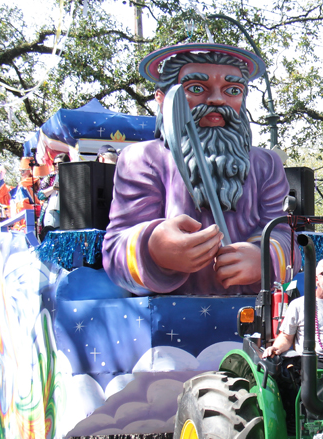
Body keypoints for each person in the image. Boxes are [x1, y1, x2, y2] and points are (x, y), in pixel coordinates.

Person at [104, 43, 295, 296]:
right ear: (162, 99)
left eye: (232, 90)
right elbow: (115, 249)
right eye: (196, 88)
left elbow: (285, 235)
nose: (217, 99)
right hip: (169, 313)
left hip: (251, 310)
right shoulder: (142, 158)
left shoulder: (266, 164)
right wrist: (154, 248)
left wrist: (263, 258)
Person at [262, 258, 323, 373]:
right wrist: (275, 348)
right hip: (310, 362)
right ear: (316, 279)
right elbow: (286, 337)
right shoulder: (298, 305)